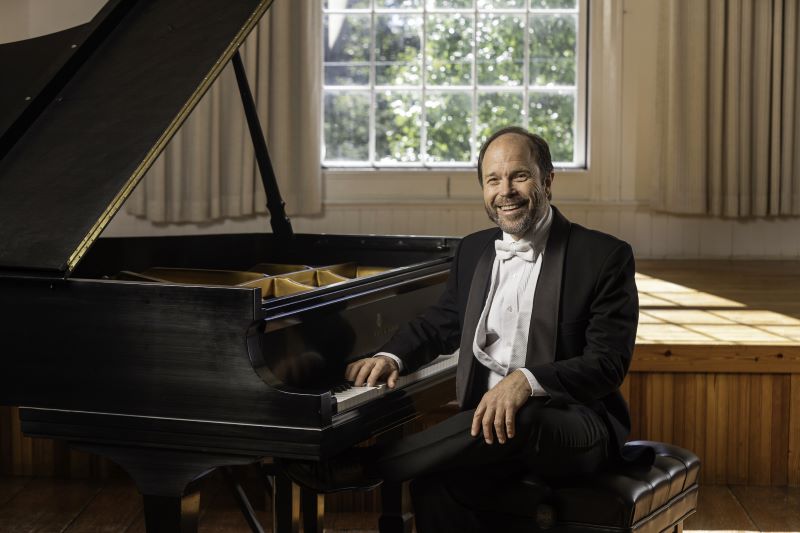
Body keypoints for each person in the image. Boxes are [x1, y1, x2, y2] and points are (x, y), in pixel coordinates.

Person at [288, 126, 641, 532]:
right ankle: (380, 467)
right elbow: (442, 322)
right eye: (493, 180)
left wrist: (526, 381)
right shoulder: (474, 249)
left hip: (574, 426)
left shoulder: (603, 256)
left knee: (522, 416)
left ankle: (363, 467)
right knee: (435, 484)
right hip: (488, 430)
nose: (505, 190)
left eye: (519, 176)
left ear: (547, 180)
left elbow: (607, 365)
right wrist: (391, 355)